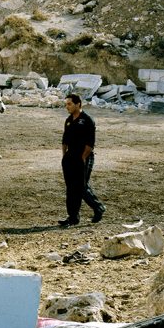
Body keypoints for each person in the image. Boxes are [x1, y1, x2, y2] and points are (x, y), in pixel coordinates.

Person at [58, 93, 106, 227]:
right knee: (71, 188)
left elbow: (90, 143)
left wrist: (83, 158)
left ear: (78, 104)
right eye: (66, 104)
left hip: (83, 157)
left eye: (69, 104)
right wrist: (64, 156)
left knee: (81, 186)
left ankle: (98, 207)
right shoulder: (68, 120)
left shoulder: (87, 120)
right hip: (69, 158)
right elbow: (64, 140)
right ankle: (73, 217)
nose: (67, 107)